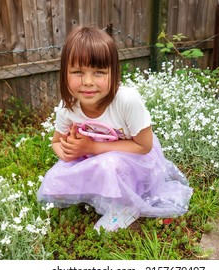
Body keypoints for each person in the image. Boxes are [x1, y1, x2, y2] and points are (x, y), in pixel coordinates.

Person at [37, 25, 193, 232]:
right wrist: (67, 153)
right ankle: (98, 190)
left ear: (114, 73)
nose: (88, 82)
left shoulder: (126, 101)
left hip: (135, 160)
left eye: (99, 72)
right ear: (64, 74)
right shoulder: (68, 108)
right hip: (91, 155)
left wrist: (91, 148)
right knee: (55, 178)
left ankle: (125, 207)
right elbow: (56, 142)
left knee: (109, 165)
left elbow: (144, 147)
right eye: (77, 72)